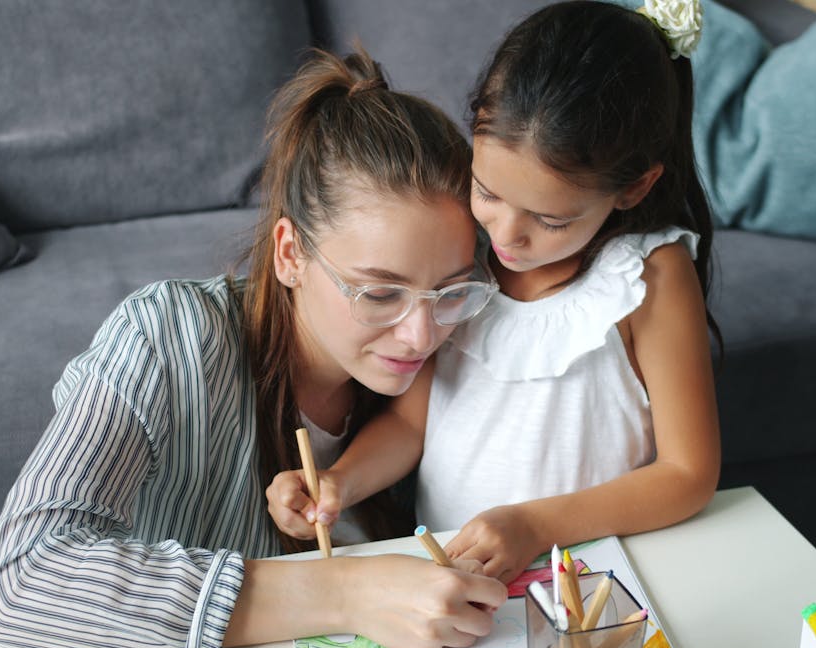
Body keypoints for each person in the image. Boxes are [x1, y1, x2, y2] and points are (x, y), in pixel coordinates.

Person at [0, 48, 508, 648]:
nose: (420, 335)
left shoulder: (459, 336)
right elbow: (22, 580)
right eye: (379, 293)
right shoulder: (166, 336)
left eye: (450, 290)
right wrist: (344, 593)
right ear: (289, 254)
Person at [267, 0, 720, 584]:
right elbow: (410, 425)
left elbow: (688, 473)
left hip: (587, 577)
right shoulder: (457, 266)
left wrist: (534, 526)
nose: (505, 236)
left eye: (550, 221)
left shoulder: (647, 278)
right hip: (457, 576)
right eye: (487, 192)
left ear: (633, 188)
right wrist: (338, 482)